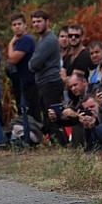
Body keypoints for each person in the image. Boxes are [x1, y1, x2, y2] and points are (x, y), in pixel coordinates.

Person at [28, 10, 64, 142]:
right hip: (44, 82)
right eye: (34, 22)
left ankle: (59, 143)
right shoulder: (42, 40)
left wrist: (33, 63)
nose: (36, 24)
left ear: (47, 22)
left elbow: (34, 63)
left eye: (39, 21)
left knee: (53, 116)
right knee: (47, 117)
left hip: (50, 82)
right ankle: (52, 142)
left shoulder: (49, 40)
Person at [6, 13, 39, 117]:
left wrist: (10, 44)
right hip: (19, 85)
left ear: (25, 25)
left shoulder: (26, 40)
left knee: (30, 116)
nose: (17, 27)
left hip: (28, 85)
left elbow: (13, 59)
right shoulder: (18, 42)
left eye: (19, 24)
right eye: (14, 25)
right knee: (23, 115)